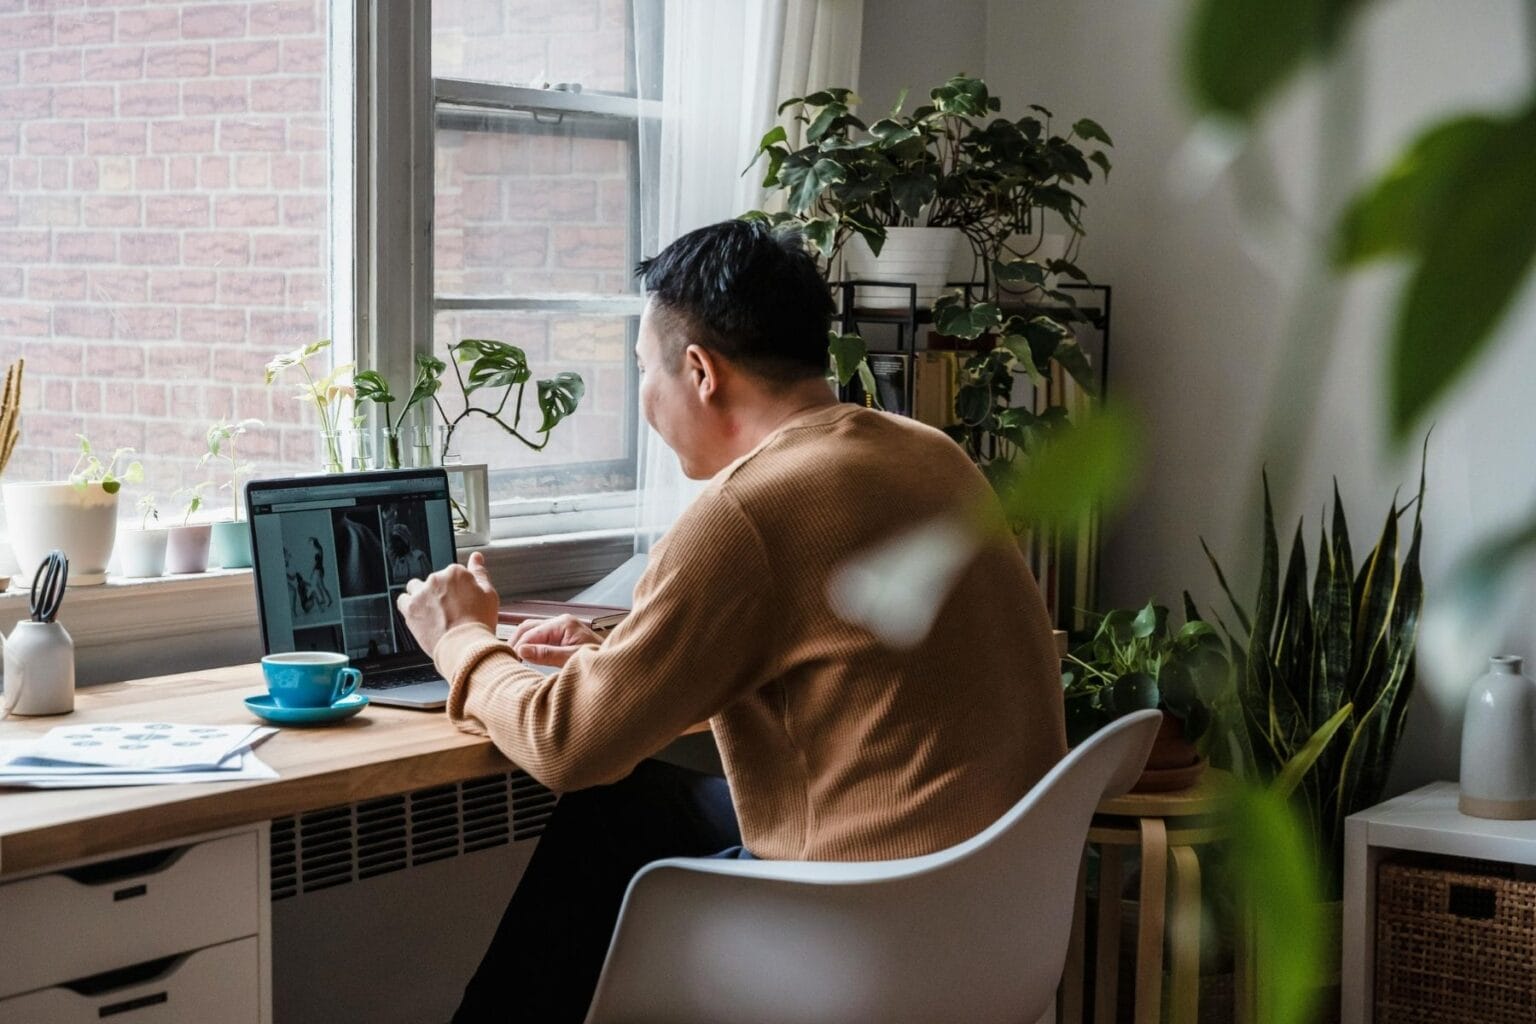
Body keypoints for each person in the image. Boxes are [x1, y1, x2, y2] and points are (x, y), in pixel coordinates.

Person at [396, 219, 1067, 1023]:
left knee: (599, 809)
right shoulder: (927, 452)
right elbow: (831, 639)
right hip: (994, 916)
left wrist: (458, 639)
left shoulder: (748, 508)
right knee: (629, 806)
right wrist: (619, 646)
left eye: (644, 369)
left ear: (699, 371)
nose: (646, 395)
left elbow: (567, 744)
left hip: (867, 930)